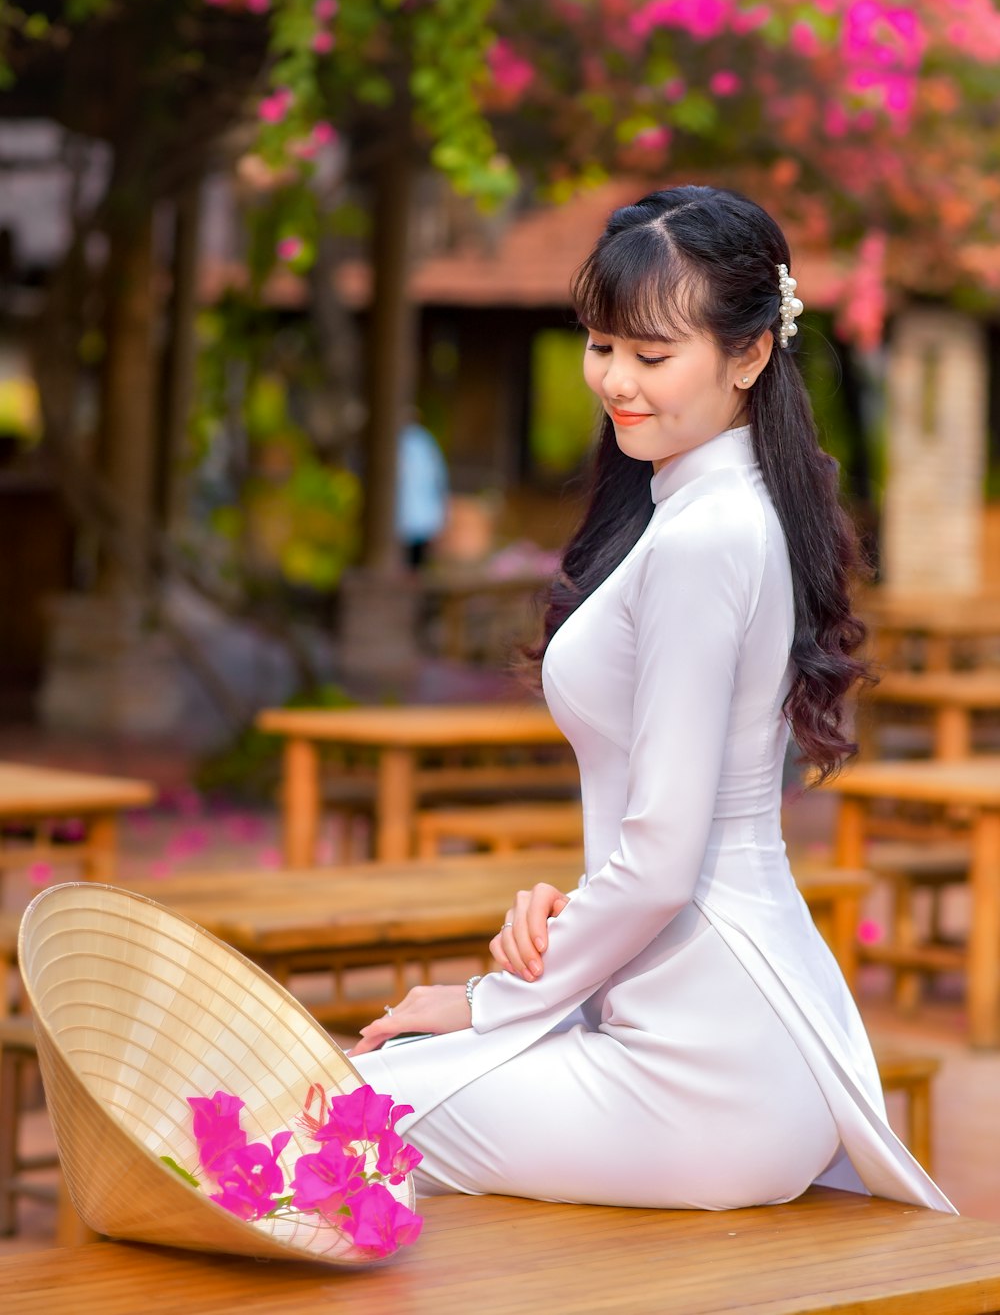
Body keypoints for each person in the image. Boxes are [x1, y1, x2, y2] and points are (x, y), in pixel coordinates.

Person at [351, 186, 955, 1215]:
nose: (615, 382)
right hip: (701, 1021)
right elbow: (660, 841)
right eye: (599, 347)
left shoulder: (706, 533)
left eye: (649, 354)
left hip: (704, 1066)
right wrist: (567, 920)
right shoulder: (712, 504)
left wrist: (488, 1000)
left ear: (749, 353)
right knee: (338, 1117)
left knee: (330, 1112)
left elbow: (667, 857)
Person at [396, 413, 449, 569]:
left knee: (411, 556)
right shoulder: (423, 441)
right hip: (415, 513)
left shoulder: (417, 441)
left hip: (412, 513)